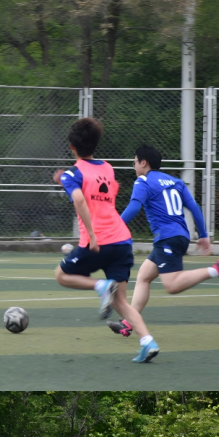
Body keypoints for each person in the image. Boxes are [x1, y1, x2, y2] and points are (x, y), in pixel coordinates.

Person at [52, 118, 159, 363]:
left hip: (98, 241)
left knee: (61, 275)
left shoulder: (72, 174)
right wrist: (66, 182)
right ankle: (147, 342)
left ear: (71, 147)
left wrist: (91, 234)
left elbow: (81, 199)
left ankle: (100, 286)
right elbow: (106, 191)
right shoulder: (107, 168)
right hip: (122, 240)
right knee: (120, 301)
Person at [107, 144, 219, 339]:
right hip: (180, 236)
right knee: (144, 276)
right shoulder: (175, 182)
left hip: (167, 238)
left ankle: (216, 270)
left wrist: (113, 228)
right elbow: (194, 208)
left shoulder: (143, 181)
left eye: (135, 162)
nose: (134, 166)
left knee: (171, 285)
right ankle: (128, 323)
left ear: (143, 163)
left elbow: (134, 207)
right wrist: (203, 234)